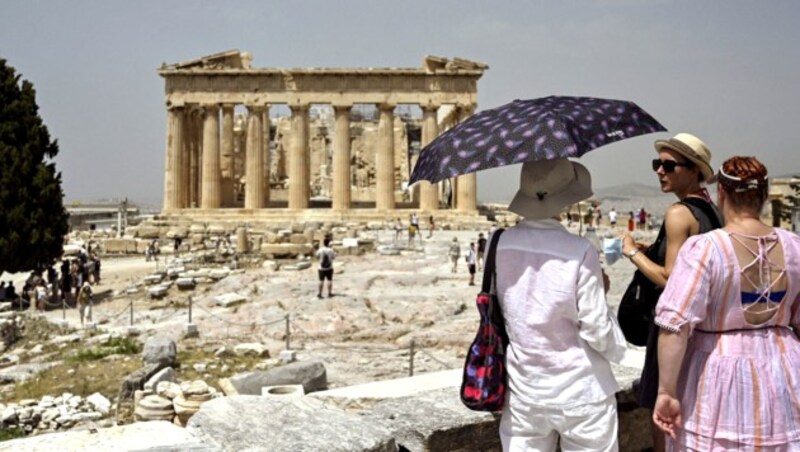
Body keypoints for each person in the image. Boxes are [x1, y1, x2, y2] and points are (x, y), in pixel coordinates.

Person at [653, 156, 800, 449]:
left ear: (721, 193)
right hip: (784, 370)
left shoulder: (705, 249)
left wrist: (666, 391)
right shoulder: (793, 245)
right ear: (764, 195)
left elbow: (675, 326)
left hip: (718, 371)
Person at [497, 158, 626, 451]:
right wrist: (618, 347)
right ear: (568, 197)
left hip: (524, 391)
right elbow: (595, 328)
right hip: (581, 391)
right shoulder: (580, 250)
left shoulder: (499, 243)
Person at [621, 132, 722, 452]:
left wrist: (631, 253)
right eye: (657, 164)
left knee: (660, 414)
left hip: (671, 327)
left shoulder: (678, 213)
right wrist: (654, 249)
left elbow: (671, 279)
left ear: (694, 170)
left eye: (669, 165)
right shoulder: (712, 211)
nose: (660, 171)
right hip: (703, 328)